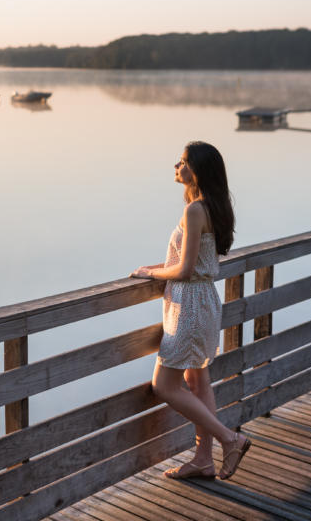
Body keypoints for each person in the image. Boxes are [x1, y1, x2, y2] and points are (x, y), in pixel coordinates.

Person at [130, 141, 250, 480]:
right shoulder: (213, 207)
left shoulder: (195, 210)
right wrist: (151, 267)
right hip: (204, 300)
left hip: (190, 306)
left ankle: (231, 439)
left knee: (164, 385)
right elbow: (188, 262)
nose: (176, 166)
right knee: (198, 381)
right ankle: (203, 459)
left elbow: (183, 271)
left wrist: (152, 274)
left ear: (196, 170)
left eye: (182, 162)